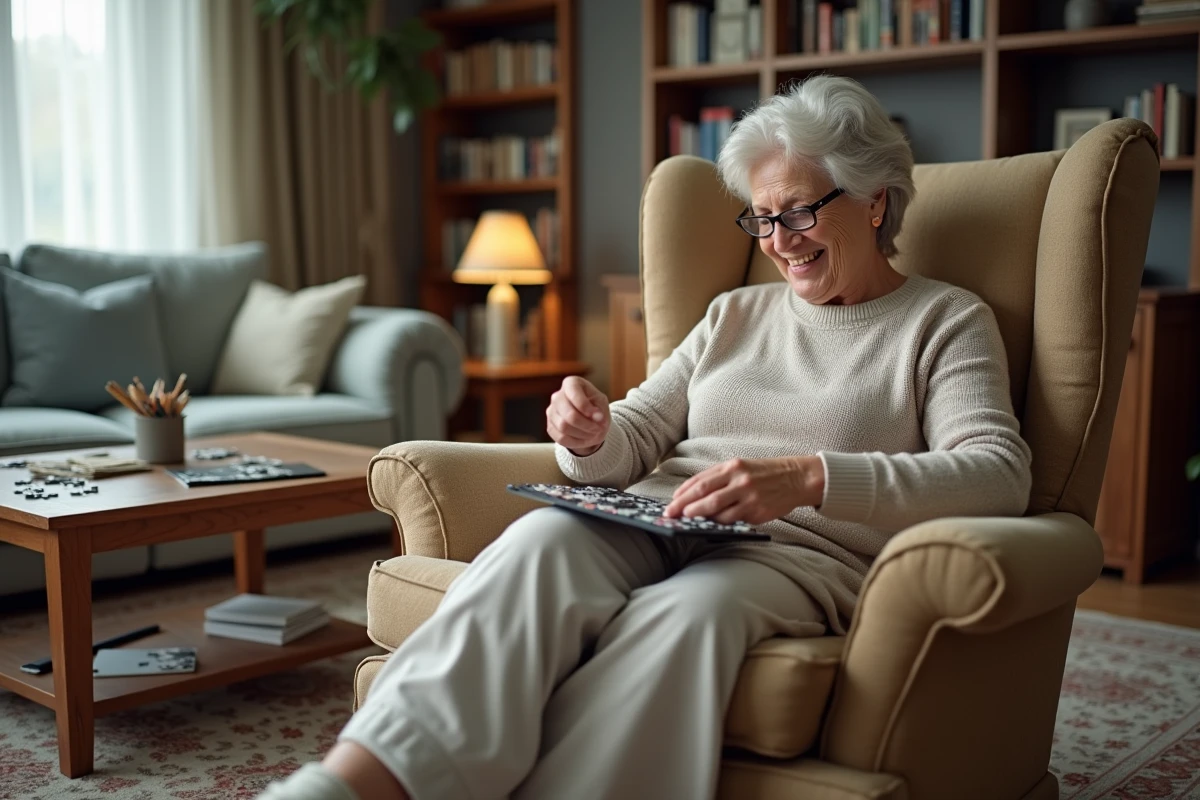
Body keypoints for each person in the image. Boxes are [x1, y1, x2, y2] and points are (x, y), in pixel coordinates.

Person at [257, 74, 1032, 800]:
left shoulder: (945, 321)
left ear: (874, 200)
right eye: (762, 218)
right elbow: (637, 431)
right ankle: (349, 785)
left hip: (800, 555)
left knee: (688, 616)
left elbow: (997, 474)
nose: (779, 239)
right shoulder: (736, 314)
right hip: (660, 513)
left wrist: (809, 479)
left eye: (798, 211)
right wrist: (589, 434)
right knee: (537, 548)